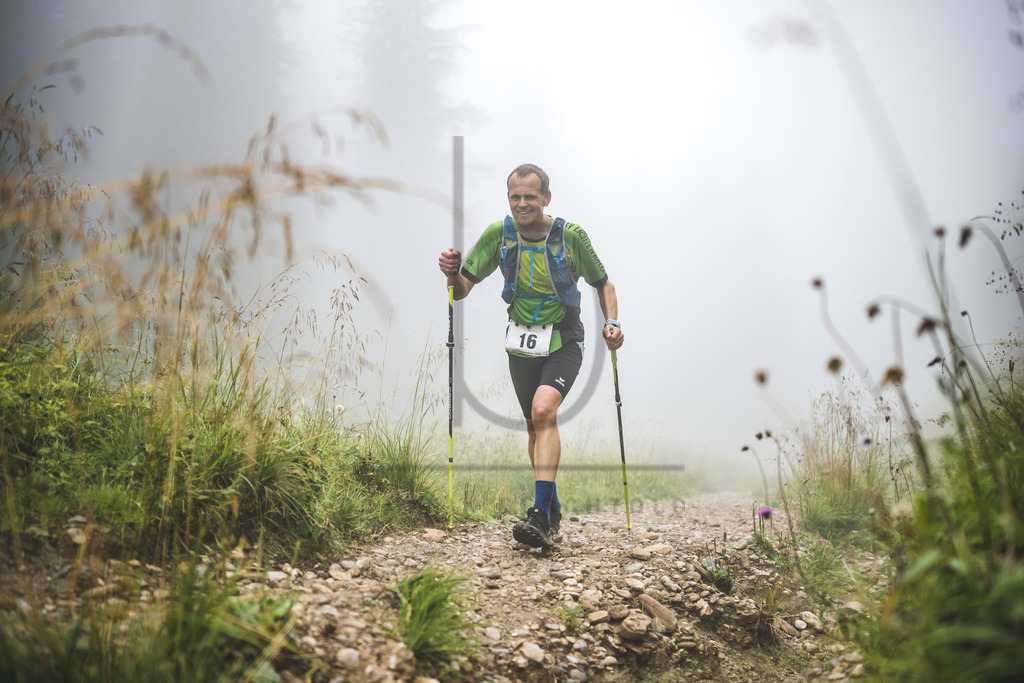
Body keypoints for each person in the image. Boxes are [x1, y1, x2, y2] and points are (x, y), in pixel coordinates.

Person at [438, 163, 624, 548]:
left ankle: (538, 514)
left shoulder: (570, 237)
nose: (522, 204)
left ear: (546, 199)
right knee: (532, 425)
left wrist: (612, 323)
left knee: (543, 411)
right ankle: (551, 508)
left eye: (530, 197)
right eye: (515, 197)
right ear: (508, 198)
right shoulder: (499, 235)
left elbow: (603, 283)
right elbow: (461, 290)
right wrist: (451, 273)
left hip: (564, 338)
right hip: (521, 341)